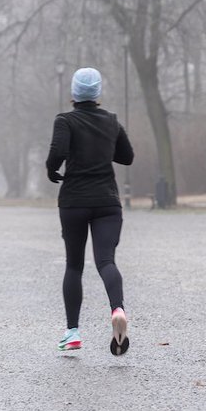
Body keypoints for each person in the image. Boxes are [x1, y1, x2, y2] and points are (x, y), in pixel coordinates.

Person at [46, 67, 135, 355]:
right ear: (97, 94)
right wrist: (103, 146)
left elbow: (57, 153)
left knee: (74, 265)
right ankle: (117, 309)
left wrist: (51, 169)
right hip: (107, 202)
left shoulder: (65, 120)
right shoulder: (110, 121)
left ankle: (72, 332)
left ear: (74, 93)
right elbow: (127, 156)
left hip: (73, 201)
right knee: (106, 261)